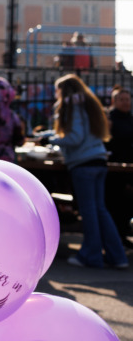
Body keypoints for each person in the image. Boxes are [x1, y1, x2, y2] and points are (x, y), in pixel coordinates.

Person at [41, 74, 128, 269]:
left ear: (64, 90)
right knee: (100, 210)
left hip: (83, 164)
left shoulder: (71, 106)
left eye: (58, 90)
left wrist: (51, 140)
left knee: (88, 212)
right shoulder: (89, 104)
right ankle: (117, 256)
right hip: (98, 160)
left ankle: (91, 256)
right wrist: (51, 136)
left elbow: (75, 138)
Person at [105, 87, 133, 247]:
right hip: (114, 170)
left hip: (129, 170)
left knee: (127, 204)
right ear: (114, 101)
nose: (126, 102)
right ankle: (116, 239)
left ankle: (122, 234)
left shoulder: (130, 118)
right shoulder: (110, 120)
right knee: (115, 204)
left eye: (127, 99)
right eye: (122, 99)